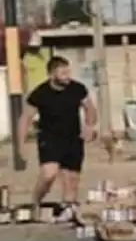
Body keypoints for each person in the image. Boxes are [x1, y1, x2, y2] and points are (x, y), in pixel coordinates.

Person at [16, 56, 97, 215]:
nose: (67, 76)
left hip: (73, 137)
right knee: (49, 174)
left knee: (72, 178)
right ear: (52, 74)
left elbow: (90, 108)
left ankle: (68, 207)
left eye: (68, 72)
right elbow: (25, 119)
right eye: (63, 73)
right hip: (50, 137)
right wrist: (21, 145)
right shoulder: (40, 93)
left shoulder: (78, 88)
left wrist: (90, 126)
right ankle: (36, 201)